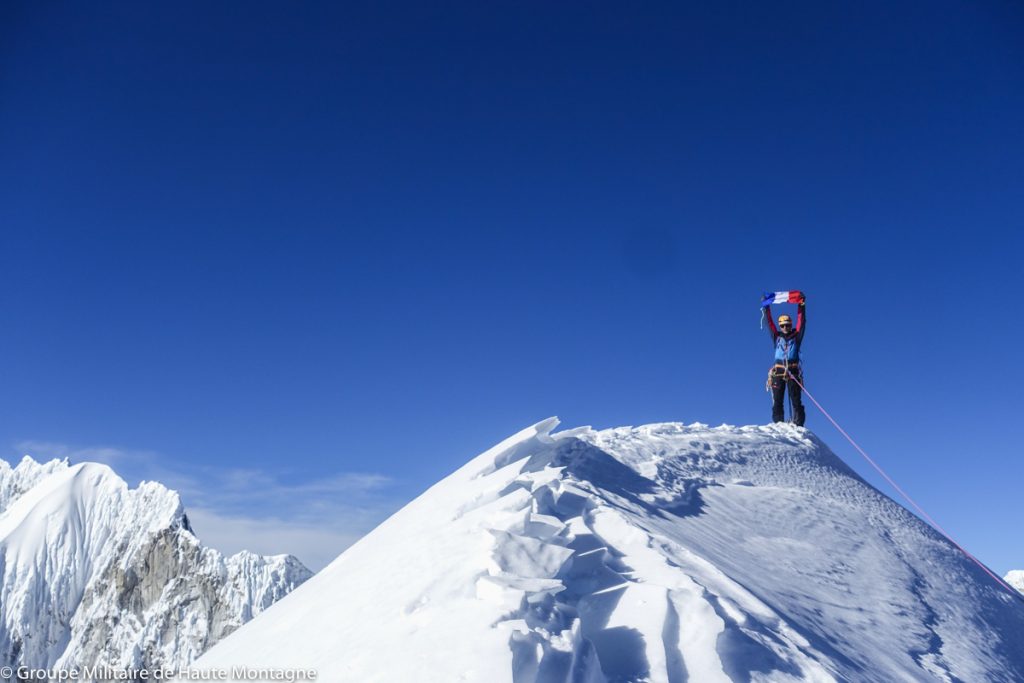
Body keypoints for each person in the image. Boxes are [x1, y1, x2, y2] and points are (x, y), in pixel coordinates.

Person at [764, 294, 806, 426]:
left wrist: (801, 305)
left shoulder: (796, 336)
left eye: (787, 325)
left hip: (793, 371)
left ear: (790, 325)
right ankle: (779, 425)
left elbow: (802, 321)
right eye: (782, 325)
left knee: (796, 400)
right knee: (777, 400)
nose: (785, 328)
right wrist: (766, 307)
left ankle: (798, 425)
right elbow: (769, 323)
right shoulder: (776, 337)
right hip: (778, 372)